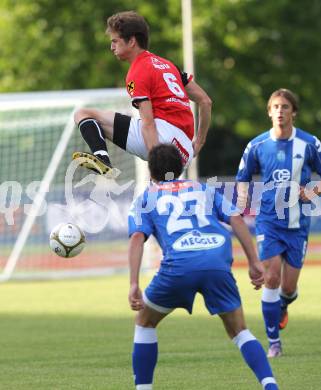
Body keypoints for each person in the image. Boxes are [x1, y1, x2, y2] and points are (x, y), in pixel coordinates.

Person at [127, 143, 279, 389]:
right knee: (239, 330)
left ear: (151, 172)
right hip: (216, 261)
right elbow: (235, 218)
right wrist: (253, 261)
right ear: (179, 167)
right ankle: (270, 384)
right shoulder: (202, 189)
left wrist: (134, 283)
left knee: (145, 322)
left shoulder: (145, 199)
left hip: (178, 266)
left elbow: (137, 238)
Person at [236, 88, 321, 358]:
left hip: (298, 225)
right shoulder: (257, 145)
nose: (280, 111)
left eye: (285, 107)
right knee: (271, 276)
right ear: (269, 111)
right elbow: (243, 178)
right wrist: (241, 204)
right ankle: (274, 342)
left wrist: (309, 192)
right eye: (275, 107)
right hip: (269, 221)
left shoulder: (309, 144)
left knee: (288, 287)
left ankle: (284, 304)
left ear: (293, 111)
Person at [73, 11, 212, 176]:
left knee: (83, 114)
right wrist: (199, 142)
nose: (112, 47)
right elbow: (205, 101)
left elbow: (148, 124)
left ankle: (102, 159)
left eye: (115, 41)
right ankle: (104, 160)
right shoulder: (169, 65)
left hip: (161, 141)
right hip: (185, 151)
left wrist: (156, 167)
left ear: (131, 41)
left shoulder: (137, 71)